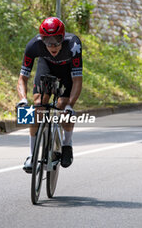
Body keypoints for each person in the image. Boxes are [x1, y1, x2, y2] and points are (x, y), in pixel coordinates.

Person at [16, 17, 83, 173]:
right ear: (41, 39)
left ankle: (66, 144)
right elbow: (22, 78)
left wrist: (70, 106)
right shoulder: (34, 45)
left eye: (57, 40)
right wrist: (23, 100)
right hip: (46, 66)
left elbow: (77, 80)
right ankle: (32, 156)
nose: (52, 45)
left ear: (63, 37)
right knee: (38, 105)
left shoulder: (73, 45)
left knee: (63, 106)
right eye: (47, 41)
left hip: (67, 72)